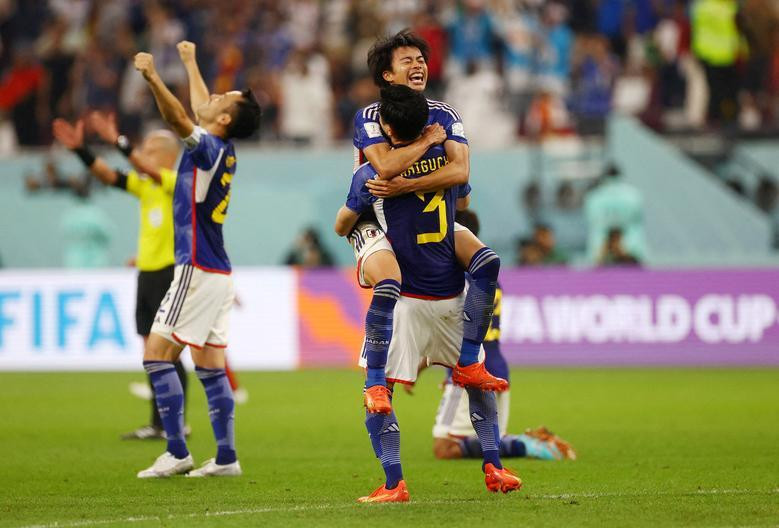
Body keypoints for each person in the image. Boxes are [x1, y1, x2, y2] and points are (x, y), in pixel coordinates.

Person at [336, 85, 521, 503]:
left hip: (405, 302)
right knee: (475, 383)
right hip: (450, 295)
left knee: (379, 394)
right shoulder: (447, 162)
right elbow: (464, 197)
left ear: (387, 128)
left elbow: (342, 224)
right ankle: (494, 466)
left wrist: (364, 221)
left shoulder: (371, 176)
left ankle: (393, 483)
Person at [344, 30, 507, 416]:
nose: (418, 65)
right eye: (407, 60)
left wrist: (406, 185)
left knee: (486, 260)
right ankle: (376, 383)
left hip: (422, 212)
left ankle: (469, 361)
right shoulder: (369, 116)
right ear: (387, 75)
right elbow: (384, 167)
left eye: (421, 59)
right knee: (386, 279)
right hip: (371, 216)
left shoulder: (444, 113)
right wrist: (426, 146)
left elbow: (461, 173)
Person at [132, 40, 261, 478]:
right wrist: (190, 61)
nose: (215, 96)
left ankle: (176, 451)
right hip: (217, 271)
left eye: (224, 98)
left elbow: (179, 118)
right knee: (209, 366)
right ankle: (226, 458)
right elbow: (203, 108)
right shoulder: (222, 148)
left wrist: (152, 77)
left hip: (197, 268)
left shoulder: (206, 147)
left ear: (224, 119)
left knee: (156, 354)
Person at [51, 111, 190, 441]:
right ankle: (157, 423)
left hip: (169, 274)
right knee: (151, 354)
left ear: (167, 157)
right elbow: (108, 175)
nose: (144, 154)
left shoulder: (176, 182)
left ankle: (176, 422)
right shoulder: (146, 187)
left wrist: (118, 141)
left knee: (168, 353)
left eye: (150, 150)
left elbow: (144, 167)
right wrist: (81, 150)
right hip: (146, 274)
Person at [431, 209, 577, 462]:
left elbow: (450, 330)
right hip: (495, 368)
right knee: (485, 440)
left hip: (471, 371)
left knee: (446, 448)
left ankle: (527, 444)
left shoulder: (455, 279)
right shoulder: (486, 276)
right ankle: (524, 443)